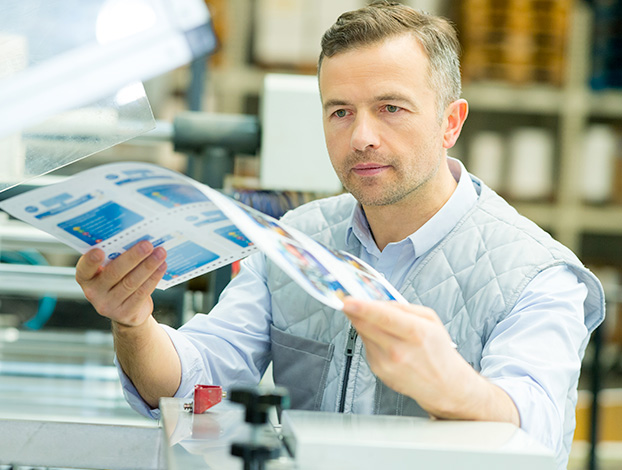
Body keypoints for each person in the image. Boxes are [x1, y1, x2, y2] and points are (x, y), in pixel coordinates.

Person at [75, 2, 604, 469]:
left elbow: (535, 433)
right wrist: (133, 321)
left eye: (391, 108)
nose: (362, 137)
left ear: (450, 123)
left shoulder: (536, 273)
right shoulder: (295, 239)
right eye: (340, 112)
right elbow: (200, 377)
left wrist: (451, 384)